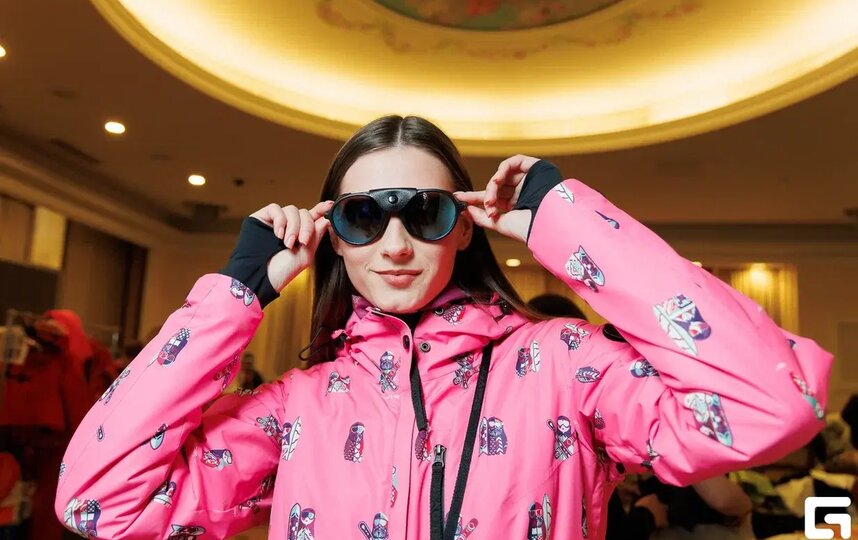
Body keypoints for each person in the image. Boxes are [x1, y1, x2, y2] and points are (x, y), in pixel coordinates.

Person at [54, 115, 832, 540]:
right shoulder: (298, 406)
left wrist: (566, 224)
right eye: (364, 217)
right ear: (334, 238)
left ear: (464, 227)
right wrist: (236, 293)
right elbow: (99, 504)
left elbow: (770, 407)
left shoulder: (563, 364)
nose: (395, 245)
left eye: (424, 212)